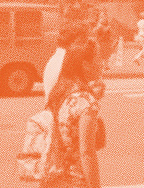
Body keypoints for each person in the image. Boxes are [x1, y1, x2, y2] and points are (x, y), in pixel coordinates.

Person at [43, 40, 103, 188]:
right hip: (77, 180)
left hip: (55, 178)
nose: (101, 64)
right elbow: (87, 152)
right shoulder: (86, 103)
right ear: (85, 65)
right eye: (97, 59)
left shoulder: (60, 93)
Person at [45, 23, 90, 102]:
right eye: (83, 42)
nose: (85, 47)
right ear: (75, 42)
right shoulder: (70, 60)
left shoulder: (53, 60)